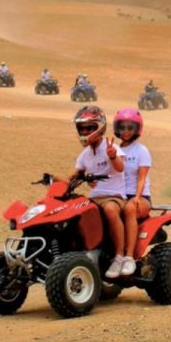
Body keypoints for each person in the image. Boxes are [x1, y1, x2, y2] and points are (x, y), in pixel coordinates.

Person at [57, 106, 127, 278]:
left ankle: (119, 257)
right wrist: (55, 180)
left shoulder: (113, 148)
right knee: (76, 212)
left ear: (100, 127)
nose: (85, 131)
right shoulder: (84, 155)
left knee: (110, 210)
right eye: (81, 128)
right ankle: (90, 250)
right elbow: (73, 177)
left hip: (114, 195)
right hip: (94, 198)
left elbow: (120, 168)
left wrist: (112, 156)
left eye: (89, 127)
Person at [115, 108, 152, 276]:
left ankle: (128, 258)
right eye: (122, 127)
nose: (126, 131)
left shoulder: (141, 150)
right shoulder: (114, 149)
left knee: (129, 209)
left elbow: (142, 178)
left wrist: (137, 197)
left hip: (141, 196)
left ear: (137, 129)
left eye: (130, 127)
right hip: (120, 195)